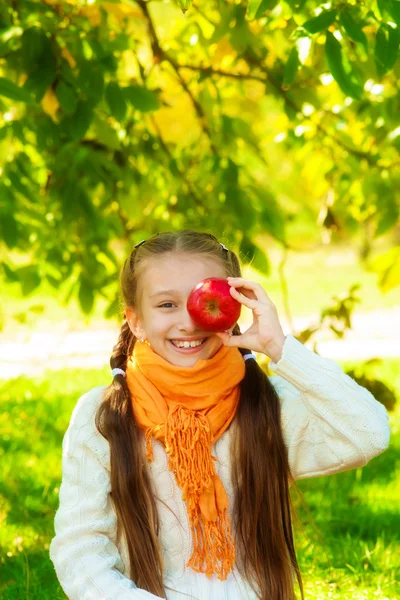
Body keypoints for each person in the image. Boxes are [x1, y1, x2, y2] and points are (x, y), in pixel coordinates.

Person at [49, 230, 390, 600]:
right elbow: (80, 552)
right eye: (167, 305)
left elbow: (367, 434)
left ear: (234, 308)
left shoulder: (264, 406)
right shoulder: (104, 418)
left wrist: (280, 348)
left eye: (204, 301)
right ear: (136, 321)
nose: (189, 322)